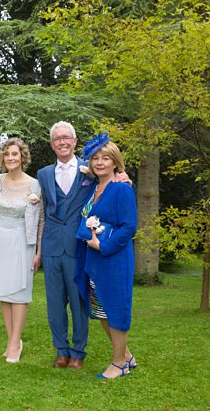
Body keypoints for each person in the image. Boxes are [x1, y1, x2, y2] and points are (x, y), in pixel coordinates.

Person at [37, 121, 130, 369]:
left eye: (67, 137)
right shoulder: (44, 174)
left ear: (75, 142)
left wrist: (124, 178)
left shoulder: (90, 169)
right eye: (57, 139)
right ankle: (61, 350)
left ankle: (78, 352)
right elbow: (44, 212)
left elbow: (113, 185)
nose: (63, 142)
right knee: (55, 301)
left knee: (79, 301)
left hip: (80, 247)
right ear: (52, 144)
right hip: (52, 246)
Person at [74, 134, 137, 379]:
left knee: (115, 309)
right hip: (94, 260)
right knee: (101, 310)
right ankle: (127, 356)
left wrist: (104, 246)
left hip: (114, 260)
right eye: (95, 159)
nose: (99, 163)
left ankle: (119, 364)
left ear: (115, 162)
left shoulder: (121, 189)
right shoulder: (95, 188)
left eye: (105, 158)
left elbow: (129, 227)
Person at [0, 137, 44, 363]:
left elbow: (40, 220)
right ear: (2, 157)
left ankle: (14, 343)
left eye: (15, 154)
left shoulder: (34, 185)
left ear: (22, 157)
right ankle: (13, 340)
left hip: (23, 241)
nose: (11, 158)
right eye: (7, 154)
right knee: (4, 292)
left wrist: (39, 251)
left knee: (19, 293)